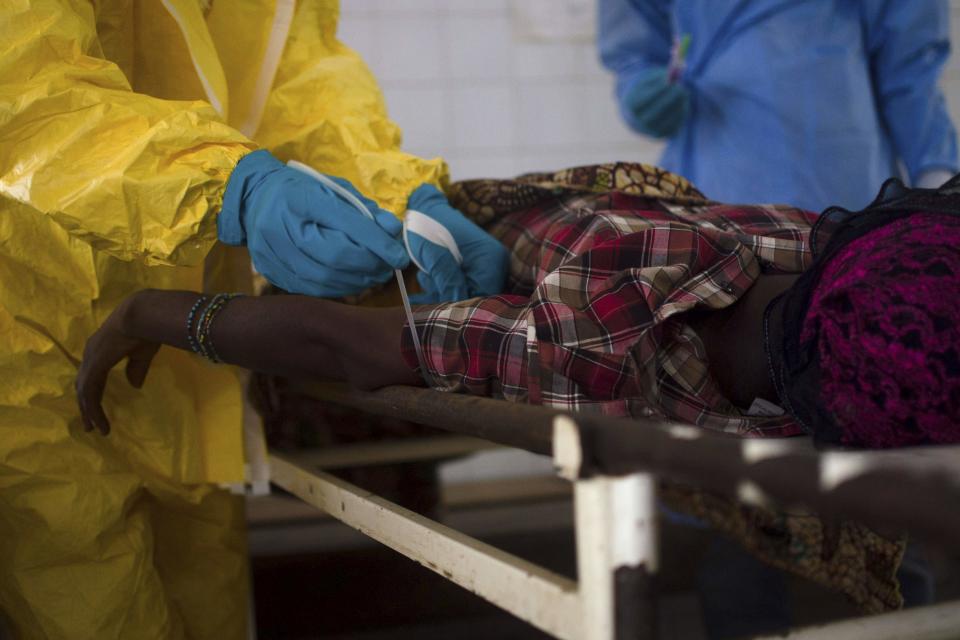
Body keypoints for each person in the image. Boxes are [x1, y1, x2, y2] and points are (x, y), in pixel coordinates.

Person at [78, 162, 960, 620]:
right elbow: (346, 345)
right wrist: (149, 313)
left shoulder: (815, 244)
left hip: (576, 239)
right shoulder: (597, 343)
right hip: (527, 258)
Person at [0, 1, 505, 638]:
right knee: (80, 589)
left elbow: (304, 89)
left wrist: (399, 192)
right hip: (27, 344)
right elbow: (27, 95)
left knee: (209, 606)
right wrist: (224, 186)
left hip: (189, 366)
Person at [598, 0, 959, 212]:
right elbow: (635, 45)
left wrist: (935, 171)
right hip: (721, 173)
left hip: (845, 172)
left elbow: (909, 65)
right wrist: (641, 89)